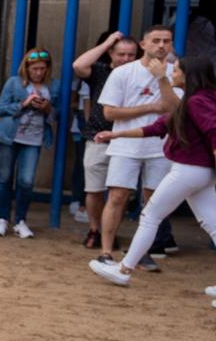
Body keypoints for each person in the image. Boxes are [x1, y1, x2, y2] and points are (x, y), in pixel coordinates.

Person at [89, 55, 216, 289]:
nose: (172, 73)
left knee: (151, 216)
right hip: (199, 172)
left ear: (189, 75)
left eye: (176, 70)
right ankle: (123, 268)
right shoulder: (196, 100)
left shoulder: (196, 102)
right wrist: (115, 134)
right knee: (212, 223)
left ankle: (123, 269)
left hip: (188, 170)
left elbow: (213, 131)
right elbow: (157, 127)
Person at [95, 25, 178, 264]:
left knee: (153, 200)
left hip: (161, 147)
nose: (161, 46)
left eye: (167, 41)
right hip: (126, 144)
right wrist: (151, 107)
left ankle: (142, 253)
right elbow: (109, 113)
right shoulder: (123, 73)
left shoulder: (176, 72)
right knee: (118, 196)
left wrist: (162, 78)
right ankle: (106, 251)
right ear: (143, 44)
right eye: (156, 41)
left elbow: (175, 109)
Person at [71, 31, 140, 249]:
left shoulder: (139, 74)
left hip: (128, 139)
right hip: (98, 137)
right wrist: (108, 42)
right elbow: (78, 66)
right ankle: (95, 229)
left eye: (131, 55)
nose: (126, 59)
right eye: (121, 54)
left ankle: (110, 232)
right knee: (93, 190)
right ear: (111, 53)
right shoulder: (101, 72)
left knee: (120, 194)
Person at [0, 49, 56, 238]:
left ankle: (20, 220)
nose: (38, 72)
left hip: (34, 138)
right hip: (9, 136)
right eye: (34, 68)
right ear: (26, 68)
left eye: (42, 68)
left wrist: (47, 107)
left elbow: (57, 114)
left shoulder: (53, 86)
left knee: (26, 181)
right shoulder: (14, 82)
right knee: (4, 177)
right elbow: (1, 108)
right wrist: (23, 104)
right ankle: (2, 218)